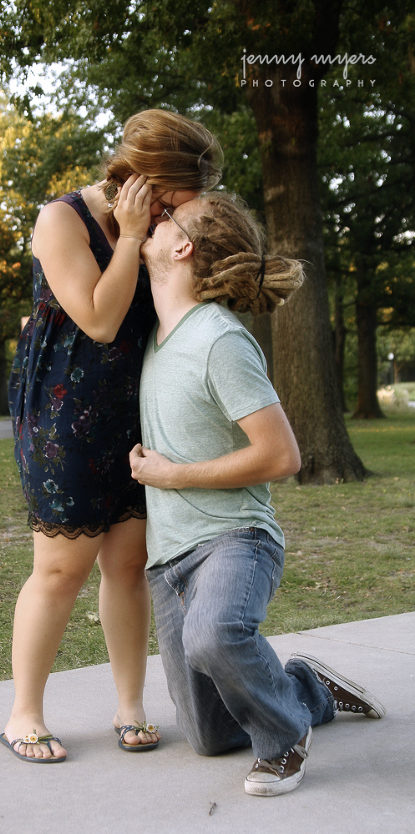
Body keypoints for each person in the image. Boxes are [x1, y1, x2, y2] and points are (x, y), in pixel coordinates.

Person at [129, 192, 386, 795]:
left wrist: (173, 475)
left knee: (214, 636)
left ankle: (285, 741)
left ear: (183, 247)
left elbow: (282, 455)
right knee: (209, 735)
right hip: (167, 560)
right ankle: (309, 689)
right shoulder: (153, 332)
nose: (152, 220)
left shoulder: (220, 339)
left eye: (165, 218)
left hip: (234, 538)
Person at [2, 110, 223, 762]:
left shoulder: (164, 223)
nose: (186, 211)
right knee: (61, 567)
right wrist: (128, 237)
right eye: (182, 196)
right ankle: (23, 714)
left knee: (128, 563)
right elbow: (98, 318)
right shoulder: (60, 219)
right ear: (150, 179)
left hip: (136, 405)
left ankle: (130, 706)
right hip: (63, 414)